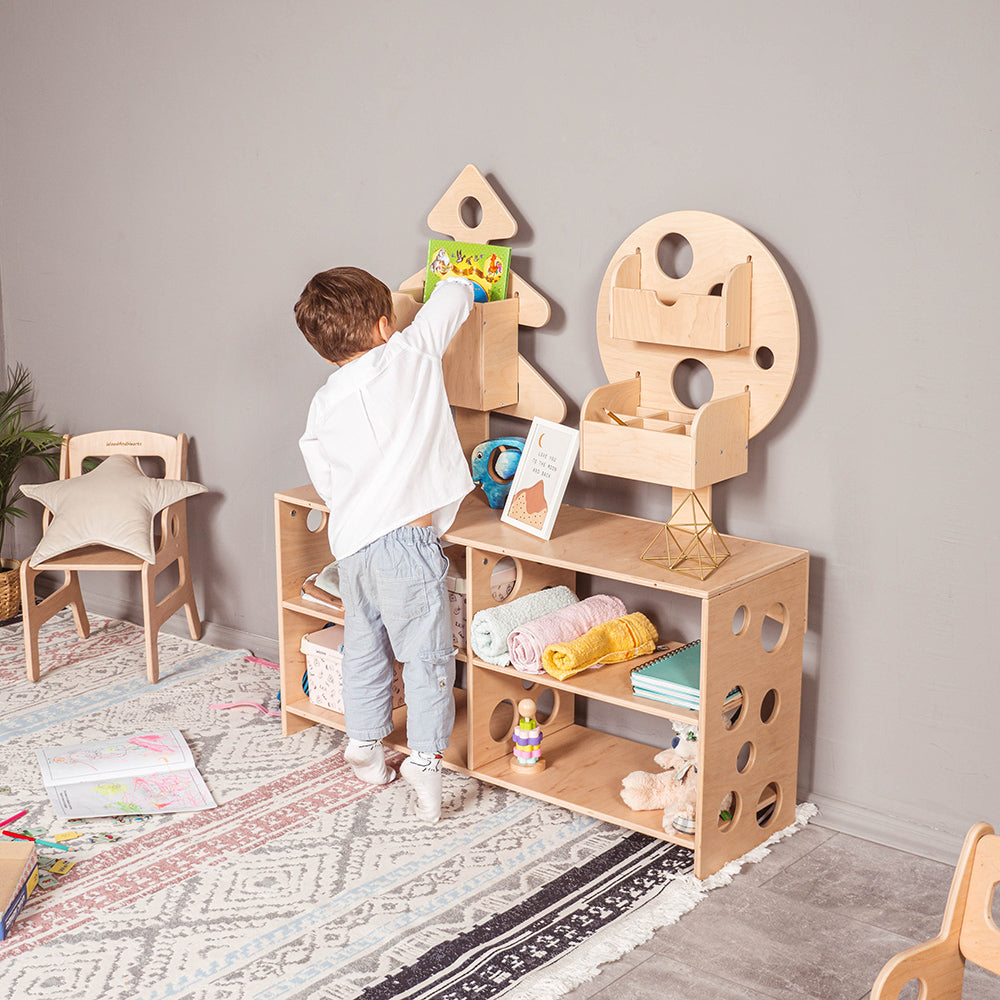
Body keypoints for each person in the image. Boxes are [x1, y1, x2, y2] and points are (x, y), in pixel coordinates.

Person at [295, 266, 475, 823]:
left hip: (352, 546)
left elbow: (320, 465)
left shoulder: (325, 399)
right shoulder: (412, 354)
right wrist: (447, 276)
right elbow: (454, 297)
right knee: (425, 659)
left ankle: (366, 744)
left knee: (365, 649)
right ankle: (424, 759)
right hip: (407, 544)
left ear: (325, 351)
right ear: (382, 326)